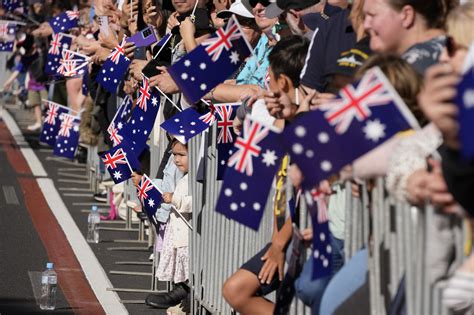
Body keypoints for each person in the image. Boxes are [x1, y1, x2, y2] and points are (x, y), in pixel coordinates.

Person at [222, 35, 309, 315]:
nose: (265, 87)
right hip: (283, 235)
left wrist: (279, 245)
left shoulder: (307, 129)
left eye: (268, 79)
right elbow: (283, 195)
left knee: (238, 289)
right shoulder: (281, 120)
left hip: (304, 237)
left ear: (282, 82)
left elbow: (301, 201)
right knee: (235, 290)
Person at [146, 139, 192, 312]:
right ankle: (181, 292)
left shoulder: (195, 179)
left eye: (182, 155)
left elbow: (197, 202)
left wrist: (175, 199)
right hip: (177, 231)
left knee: (187, 265)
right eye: (174, 155)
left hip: (187, 234)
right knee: (180, 264)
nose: (177, 159)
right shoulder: (185, 177)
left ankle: (184, 292)